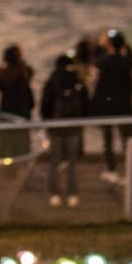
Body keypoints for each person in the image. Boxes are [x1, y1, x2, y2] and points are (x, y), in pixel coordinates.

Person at [39, 53, 88, 207]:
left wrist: (48, 122)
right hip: (74, 128)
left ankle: (54, 195)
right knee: (72, 163)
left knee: (54, 162)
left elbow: (44, 107)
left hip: (55, 128)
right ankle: (73, 195)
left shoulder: (52, 82)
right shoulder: (77, 82)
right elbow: (86, 105)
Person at [91, 30, 132, 180]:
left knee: (108, 139)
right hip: (123, 104)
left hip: (108, 105)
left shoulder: (104, 63)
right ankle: (129, 169)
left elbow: (99, 86)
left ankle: (111, 169)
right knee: (126, 138)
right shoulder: (126, 63)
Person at [0, 45, 35, 158]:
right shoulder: (24, 70)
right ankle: (23, 160)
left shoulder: (3, 72)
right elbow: (31, 72)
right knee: (23, 138)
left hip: (7, 108)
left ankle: (6, 162)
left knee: (6, 138)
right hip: (23, 108)